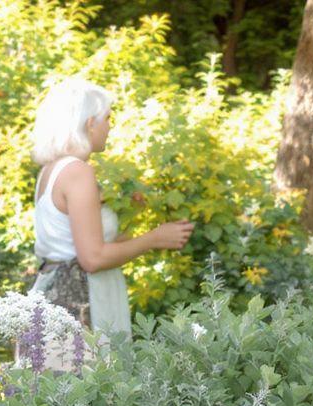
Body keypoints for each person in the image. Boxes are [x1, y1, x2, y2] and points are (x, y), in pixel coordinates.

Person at [31, 77, 193, 364]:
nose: (111, 126)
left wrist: (138, 221)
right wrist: (154, 239)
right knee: (90, 393)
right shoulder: (78, 172)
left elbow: (93, 245)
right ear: (89, 122)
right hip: (79, 299)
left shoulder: (53, 169)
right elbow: (92, 258)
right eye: (108, 118)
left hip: (60, 290)